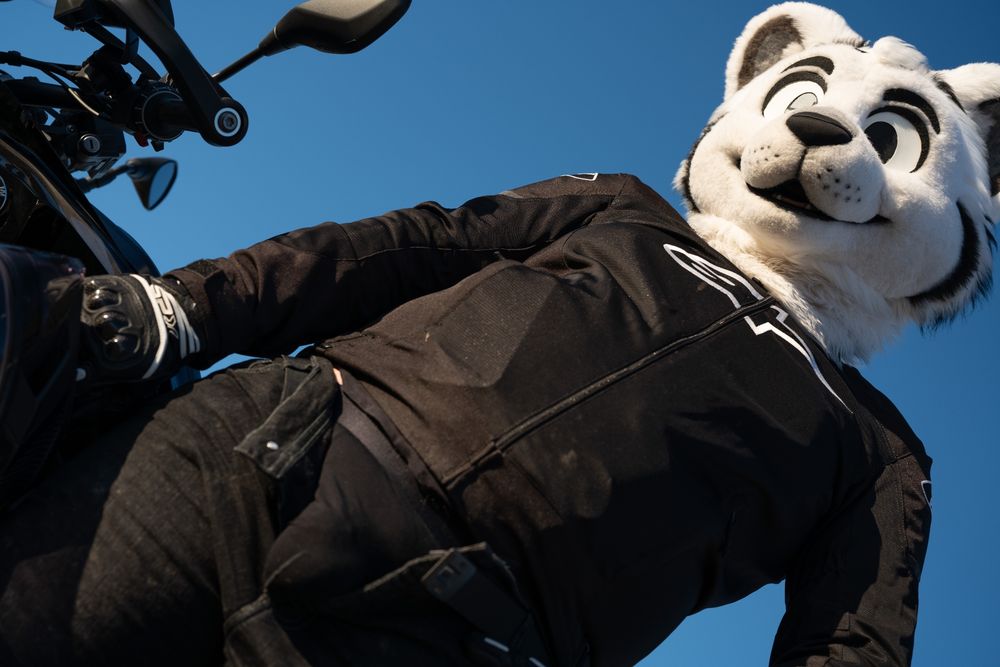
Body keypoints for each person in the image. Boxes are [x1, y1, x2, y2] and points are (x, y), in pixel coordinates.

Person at [0, 172, 932, 666]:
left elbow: (848, 644)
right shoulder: (628, 208)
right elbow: (411, 243)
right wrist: (189, 305)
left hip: (453, 639)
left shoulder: (880, 450)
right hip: (266, 447)